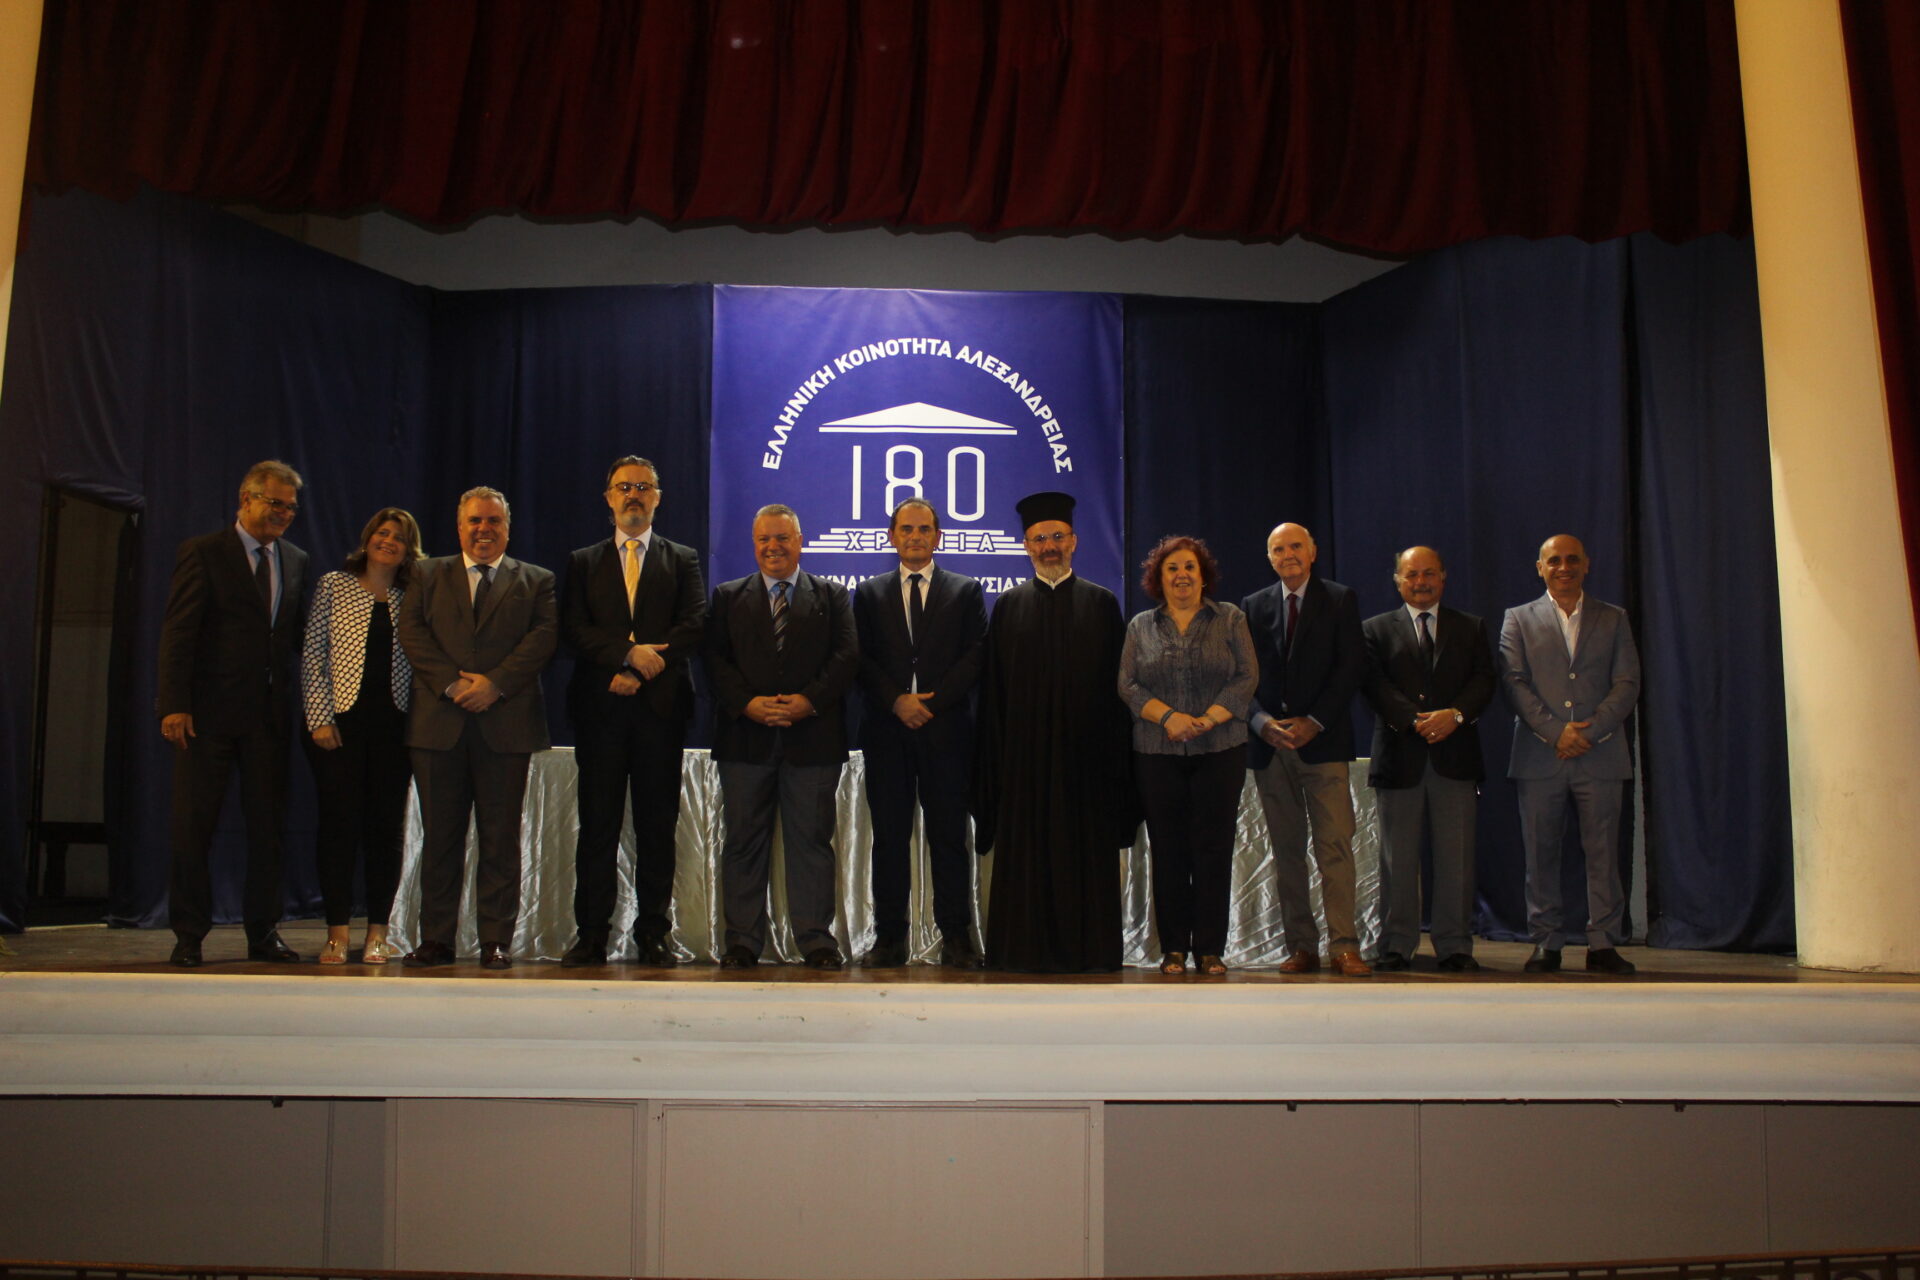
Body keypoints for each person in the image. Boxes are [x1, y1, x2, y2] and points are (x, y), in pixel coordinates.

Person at [157, 460, 311, 968]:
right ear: (246, 499)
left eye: (291, 507)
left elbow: (296, 638)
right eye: (275, 503)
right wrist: (174, 704)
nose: (284, 514)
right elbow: (179, 633)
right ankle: (189, 936)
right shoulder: (204, 552)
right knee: (193, 829)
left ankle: (263, 933)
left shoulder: (295, 559)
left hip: (269, 719)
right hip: (207, 718)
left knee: (269, 831)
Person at [396, 486, 557, 970]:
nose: (484, 529)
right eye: (475, 521)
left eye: (493, 521)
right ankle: (436, 939)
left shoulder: (537, 580)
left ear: (508, 527)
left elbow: (543, 637)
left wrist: (495, 685)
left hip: (505, 726)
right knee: (440, 839)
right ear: (459, 526)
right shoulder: (426, 573)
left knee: (500, 840)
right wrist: (451, 685)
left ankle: (495, 940)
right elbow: (412, 633)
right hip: (438, 727)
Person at [973, 491, 1132, 973]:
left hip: (1087, 764)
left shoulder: (1102, 604)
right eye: (1039, 539)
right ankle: (1022, 951)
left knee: (1084, 854)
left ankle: (1090, 952)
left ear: (1074, 542)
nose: (1049, 546)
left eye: (1057, 537)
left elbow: (1119, 693)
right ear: (1026, 546)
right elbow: (994, 696)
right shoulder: (1008, 607)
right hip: (1025, 765)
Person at [559, 456, 707, 968]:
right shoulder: (583, 561)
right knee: (598, 827)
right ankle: (591, 935)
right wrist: (626, 655)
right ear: (608, 497)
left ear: (658, 498)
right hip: (599, 711)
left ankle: (653, 934)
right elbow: (573, 629)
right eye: (624, 487)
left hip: (660, 712)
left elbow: (693, 625)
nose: (633, 495)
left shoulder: (682, 559)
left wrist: (643, 669)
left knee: (656, 828)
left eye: (643, 487)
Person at [707, 504, 860, 969]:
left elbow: (846, 655)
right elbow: (714, 660)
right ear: (754, 544)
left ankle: (816, 941)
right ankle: (741, 942)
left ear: (800, 541)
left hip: (812, 739)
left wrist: (808, 701)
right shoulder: (727, 596)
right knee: (743, 842)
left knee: (811, 843)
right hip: (745, 740)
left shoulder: (832, 596)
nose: (773, 547)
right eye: (764, 540)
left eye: (782, 538)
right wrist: (747, 703)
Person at [853, 499, 989, 969]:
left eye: (924, 529)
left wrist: (930, 703)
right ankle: (889, 938)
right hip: (887, 733)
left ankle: (957, 938)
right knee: (890, 838)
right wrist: (897, 700)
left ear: (938, 536)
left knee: (949, 838)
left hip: (946, 733)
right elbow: (859, 658)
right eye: (906, 529)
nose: (915, 536)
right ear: (892, 536)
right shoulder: (868, 594)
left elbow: (976, 655)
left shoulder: (965, 591)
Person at [1499, 534, 1642, 975]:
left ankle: (1603, 942)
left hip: (1600, 755)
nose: (1564, 567)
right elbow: (1513, 682)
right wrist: (1555, 732)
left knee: (1603, 854)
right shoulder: (1518, 619)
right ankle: (1546, 941)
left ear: (1586, 564)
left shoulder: (1613, 618)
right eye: (1555, 561)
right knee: (1540, 854)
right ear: (1540, 568)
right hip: (1540, 756)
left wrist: (1591, 731)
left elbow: (1627, 683)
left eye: (1572, 560)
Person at [1119, 536, 1257, 977]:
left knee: (1213, 849)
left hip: (1220, 749)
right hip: (1157, 751)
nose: (1181, 575)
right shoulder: (1141, 625)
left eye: (1189, 567)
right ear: (1158, 578)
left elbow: (1246, 677)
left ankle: (1211, 949)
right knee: (1169, 849)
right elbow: (1127, 684)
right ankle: (1174, 948)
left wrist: (1208, 719)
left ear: (1203, 575)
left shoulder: (1230, 618)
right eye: (1172, 568)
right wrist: (1170, 718)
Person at [1243, 522, 1371, 976]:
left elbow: (1350, 667)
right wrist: (1261, 723)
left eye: (1296, 546)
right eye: (1279, 549)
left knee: (1334, 846)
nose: (1288, 555)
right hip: (1271, 746)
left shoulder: (1339, 599)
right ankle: (1301, 946)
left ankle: (1344, 946)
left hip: (1323, 743)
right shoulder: (1253, 605)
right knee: (1287, 851)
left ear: (1313, 552)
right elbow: (1244, 675)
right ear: (1270, 557)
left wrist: (1314, 722)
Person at [1361, 546, 1496, 973]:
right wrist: (1414, 720)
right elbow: (1374, 685)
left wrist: (1453, 716)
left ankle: (1454, 946)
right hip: (1399, 758)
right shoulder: (1374, 630)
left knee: (1457, 859)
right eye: (1412, 574)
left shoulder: (1470, 627)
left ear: (1443, 576)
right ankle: (1396, 945)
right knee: (1397, 860)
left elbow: (1484, 680)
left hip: (1455, 758)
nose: (1421, 582)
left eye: (1429, 573)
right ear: (1397, 580)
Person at [300, 507, 425, 965]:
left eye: (399, 537)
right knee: (338, 826)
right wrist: (319, 717)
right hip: (339, 727)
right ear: (368, 538)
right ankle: (336, 932)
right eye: (382, 533)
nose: (388, 541)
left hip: (395, 727)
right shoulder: (334, 585)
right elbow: (313, 656)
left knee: (385, 831)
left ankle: (377, 931)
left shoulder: (414, 594)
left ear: (409, 550)